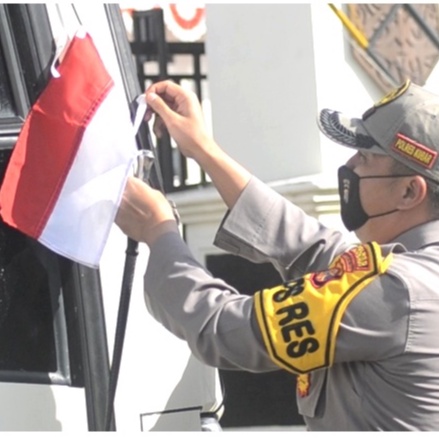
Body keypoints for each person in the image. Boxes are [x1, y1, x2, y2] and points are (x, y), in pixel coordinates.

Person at [115, 78, 439, 431]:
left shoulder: (397, 293)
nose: (351, 165)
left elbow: (222, 329)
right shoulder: (417, 275)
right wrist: (203, 149)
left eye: (365, 158)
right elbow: (309, 245)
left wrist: (157, 231)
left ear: (409, 192)